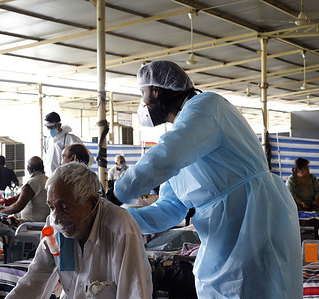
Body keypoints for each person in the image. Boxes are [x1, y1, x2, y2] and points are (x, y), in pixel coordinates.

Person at [111, 61, 302, 298]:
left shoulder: (205, 107)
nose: (143, 101)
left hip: (255, 216)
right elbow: (171, 209)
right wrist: (117, 217)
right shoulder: (183, 137)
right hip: (224, 233)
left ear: (157, 90)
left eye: (143, 92)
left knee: (259, 288)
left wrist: (115, 194)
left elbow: (165, 156)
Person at [5, 162, 152, 299]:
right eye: (51, 207)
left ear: (92, 203)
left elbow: (134, 293)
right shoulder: (55, 226)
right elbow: (36, 277)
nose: (56, 218)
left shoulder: (120, 228)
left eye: (65, 208)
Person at [0, 156, 49, 222]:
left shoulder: (30, 184)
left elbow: (17, 208)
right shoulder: (47, 180)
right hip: (45, 222)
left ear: (28, 168)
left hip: (30, 224)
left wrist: (0, 210)